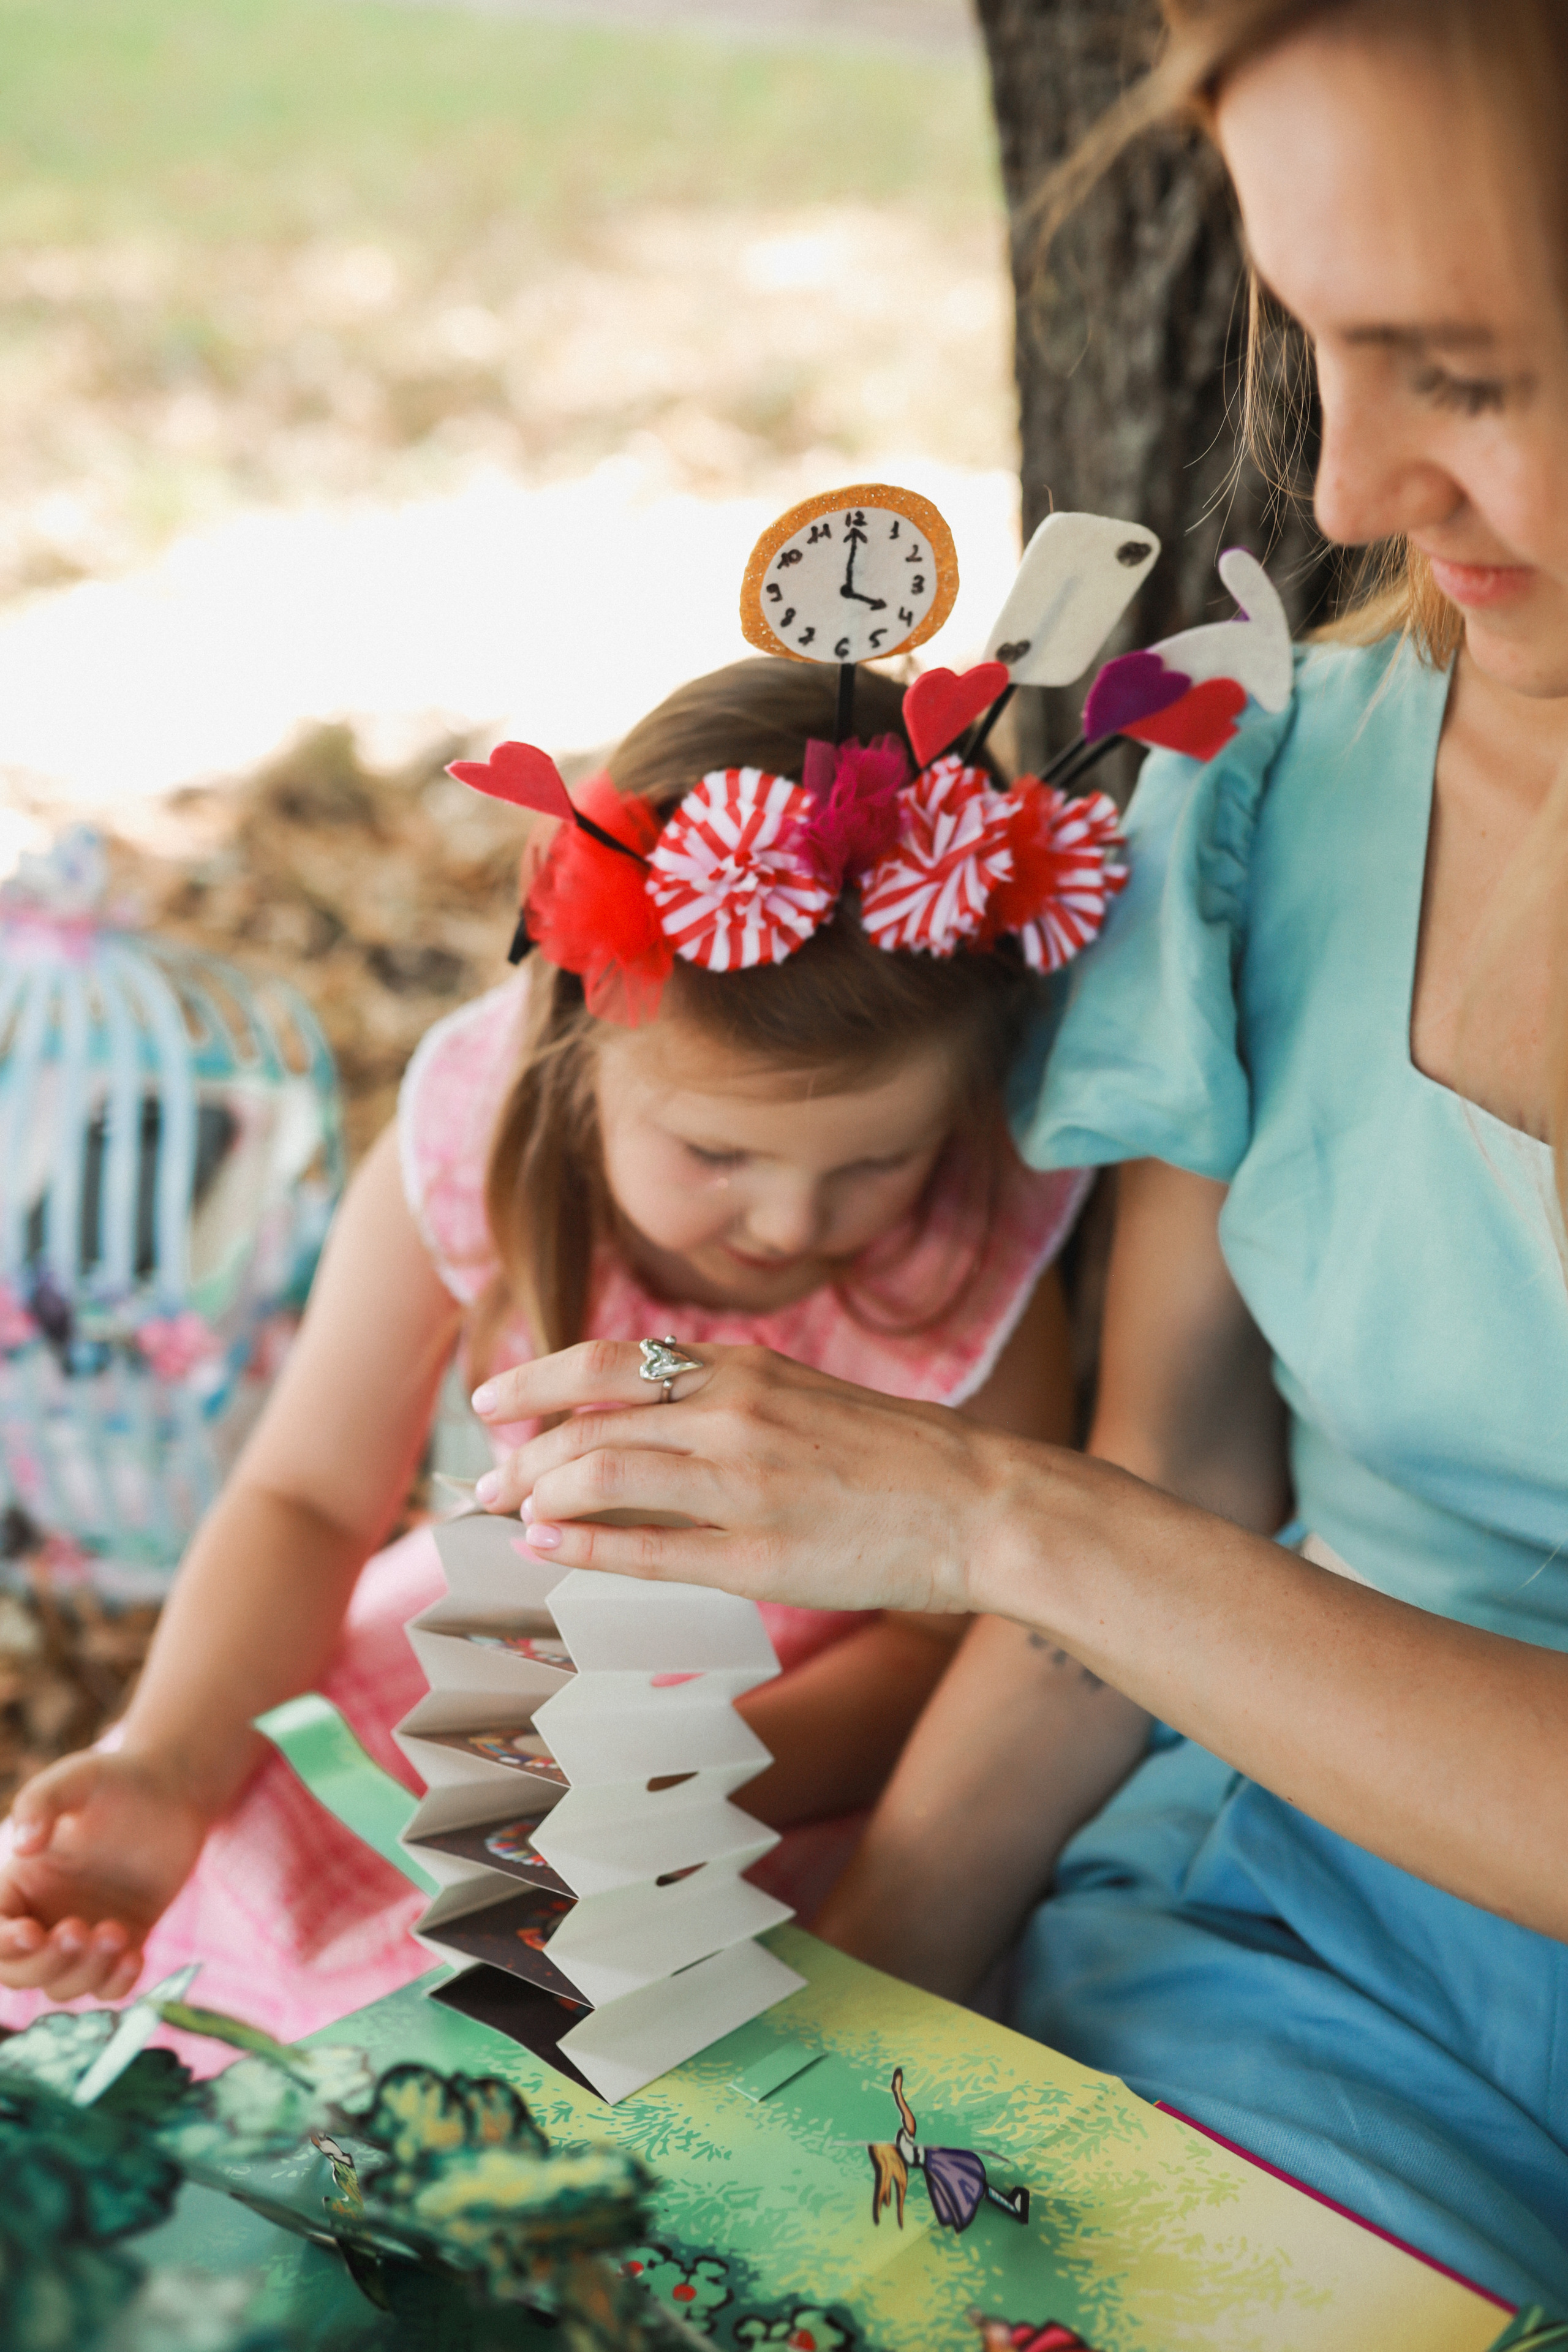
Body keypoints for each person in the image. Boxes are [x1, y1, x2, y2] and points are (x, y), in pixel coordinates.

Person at [446, 0, 1568, 2312]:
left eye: (1479, 372)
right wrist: (817, 2083)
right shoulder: (1292, 794)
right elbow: (1183, 1503)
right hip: (1287, 1971)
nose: (1347, 489)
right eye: (1325, 341)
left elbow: (1095, 1547)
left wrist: (981, 1512)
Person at [0, 656, 1093, 2039]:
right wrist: (170, 1758)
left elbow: (944, 1645)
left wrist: (684, 1778)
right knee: (247, 1831)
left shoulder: (963, 1253)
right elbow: (309, 1497)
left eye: (874, 1160)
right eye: (714, 1150)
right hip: (504, 1637)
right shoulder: (467, 1149)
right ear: (584, 1042)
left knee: (514, 2009)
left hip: (778, 1745)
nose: (788, 1219)